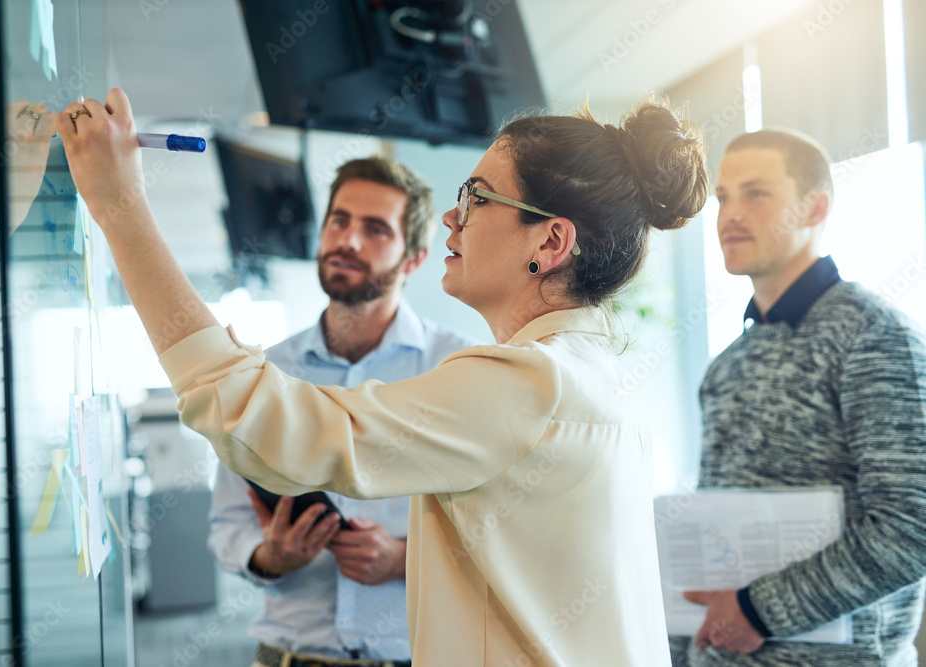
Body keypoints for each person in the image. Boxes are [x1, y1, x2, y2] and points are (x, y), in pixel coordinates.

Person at [55, 88, 708, 666]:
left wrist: (120, 205)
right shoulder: (596, 375)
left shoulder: (526, 384)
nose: (455, 216)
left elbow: (256, 426)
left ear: (550, 244)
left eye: (476, 196)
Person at [207, 156, 478, 667]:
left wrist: (406, 560)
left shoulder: (458, 371)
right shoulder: (268, 375)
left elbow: (500, 529)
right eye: (339, 221)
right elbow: (227, 523)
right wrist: (269, 557)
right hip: (289, 656)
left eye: (375, 229)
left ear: (414, 258)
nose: (348, 241)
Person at [670, 129, 926, 666]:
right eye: (723, 197)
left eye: (756, 193)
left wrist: (760, 612)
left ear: (815, 208)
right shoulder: (727, 364)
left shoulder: (876, 336)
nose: (729, 215)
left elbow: (912, 524)